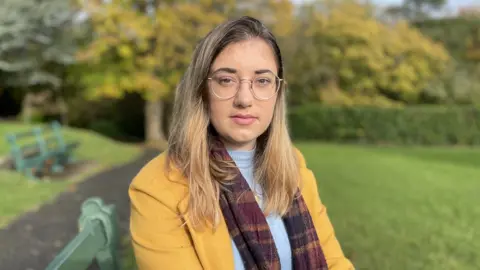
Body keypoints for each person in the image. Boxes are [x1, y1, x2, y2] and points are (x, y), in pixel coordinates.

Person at [129, 16, 354, 270]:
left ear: (277, 92)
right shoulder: (156, 188)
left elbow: (333, 261)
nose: (245, 99)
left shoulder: (293, 165)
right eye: (226, 80)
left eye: (262, 80)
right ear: (201, 89)